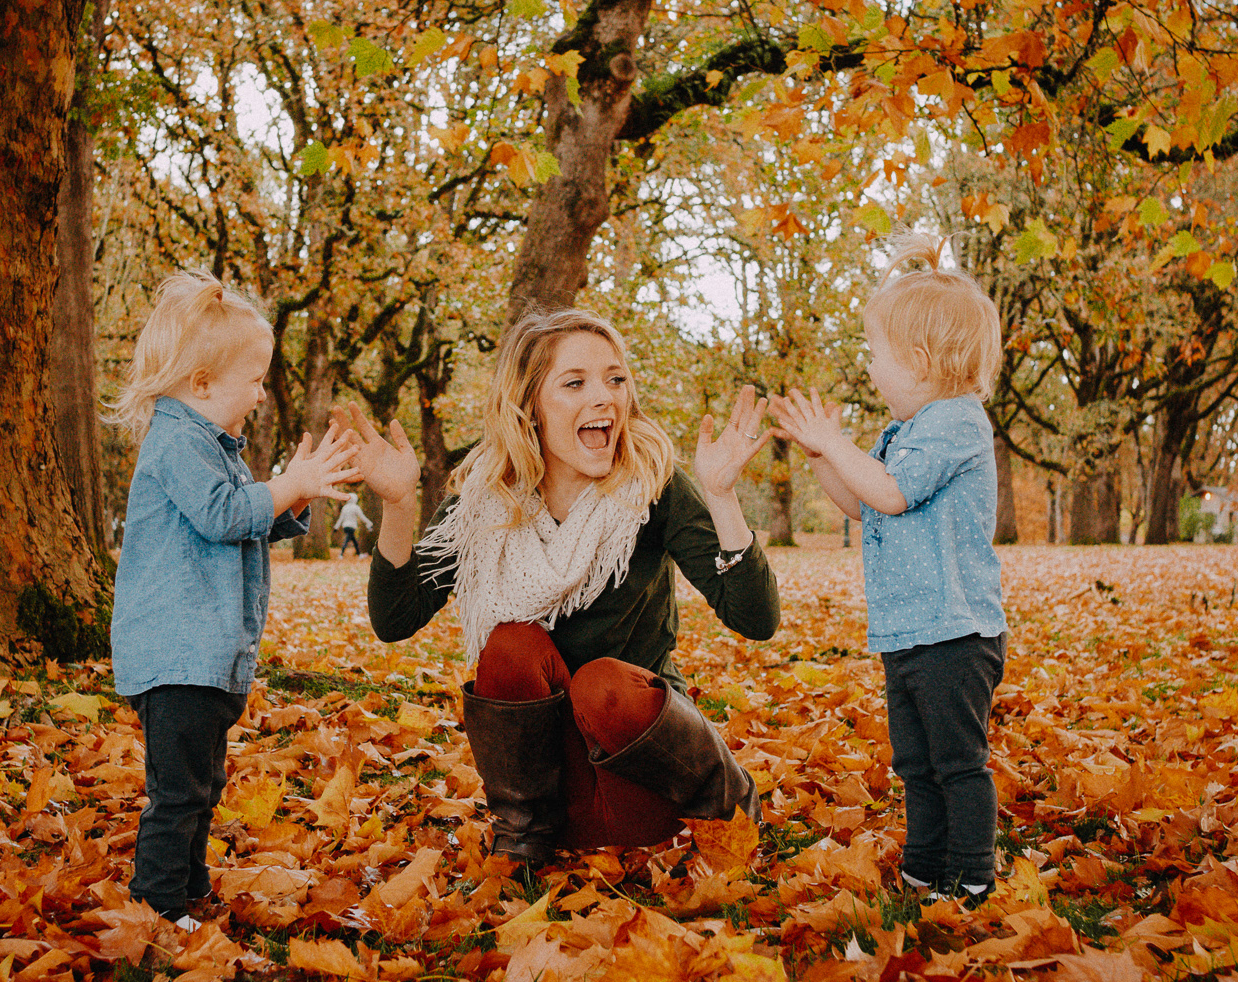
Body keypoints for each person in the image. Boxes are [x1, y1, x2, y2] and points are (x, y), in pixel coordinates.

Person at [341, 308, 781, 864]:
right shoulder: (485, 499)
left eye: (615, 379)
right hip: (550, 790)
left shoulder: (652, 485)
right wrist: (400, 505)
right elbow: (395, 618)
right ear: (530, 405)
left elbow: (756, 619)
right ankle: (524, 839)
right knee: (510, 645)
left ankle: (730, 801)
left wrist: (721, 497)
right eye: (575, 383)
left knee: (602, 684)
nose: (604, 398)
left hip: (648, 774)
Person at [105, 270, 359, 928]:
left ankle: (188, 887)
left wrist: (295, 491)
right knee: (179, 791)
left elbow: (245, 517)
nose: (261, 394)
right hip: (176, 655)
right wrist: (287, 484)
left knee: (203, 782)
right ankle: (157, 905)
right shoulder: (176, 443)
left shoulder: (213, 446)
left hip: (205, 656)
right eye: (254, 380)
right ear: (202, 384)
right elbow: (223, 514)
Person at [770, 231, 1008, 904]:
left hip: (955, 632)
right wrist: (824, 457)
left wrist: (836, 442)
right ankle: (924, 867)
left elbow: (892, 492)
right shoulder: (904, 433)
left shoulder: (957, 422)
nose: (870, 368)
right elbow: (862, 501)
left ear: (920, 362)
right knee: (915, 762)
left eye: (876, 354)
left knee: (957, 762)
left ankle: (972, 873)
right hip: (909, 631)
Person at [333, 491, 374, 556]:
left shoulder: (345, 507)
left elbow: (341, 518)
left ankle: (359, 554)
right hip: (352, 527)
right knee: (347, 540)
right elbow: (362, 517)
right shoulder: (356, 507)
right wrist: (369, 523)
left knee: (354, 540)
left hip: (345, 527)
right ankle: (341, 554)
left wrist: (336, 527)